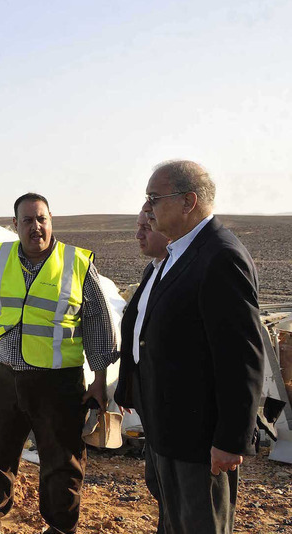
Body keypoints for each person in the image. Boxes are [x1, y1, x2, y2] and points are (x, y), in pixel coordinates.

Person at [0, 193, 118, 534]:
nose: (36, 227)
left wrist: (99, 378)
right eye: (28, 221)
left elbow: (97, 322)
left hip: (58, 383)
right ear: (15, 225)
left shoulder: (76, 263)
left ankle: (61, 528)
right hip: (4, 377)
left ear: (51, 221)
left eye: (41, 219)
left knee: (62, 460)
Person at [130, 160, 264, 533]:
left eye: (154, 198)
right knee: (174, 522)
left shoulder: (219, 256)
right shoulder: (178, 255)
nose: (148, 208)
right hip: (169, 430)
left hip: (199, 440)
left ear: (188, 201)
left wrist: (231, 439)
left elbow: (242, 356)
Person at [114, 210, 170, 531]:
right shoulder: (154, 269)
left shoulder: (185, 272)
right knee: (159, 483)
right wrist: (128, 387)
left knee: (186, 498)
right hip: (152, 401)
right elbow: (137, 333)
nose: (138, 235)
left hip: (177, 407)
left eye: (146, 227)